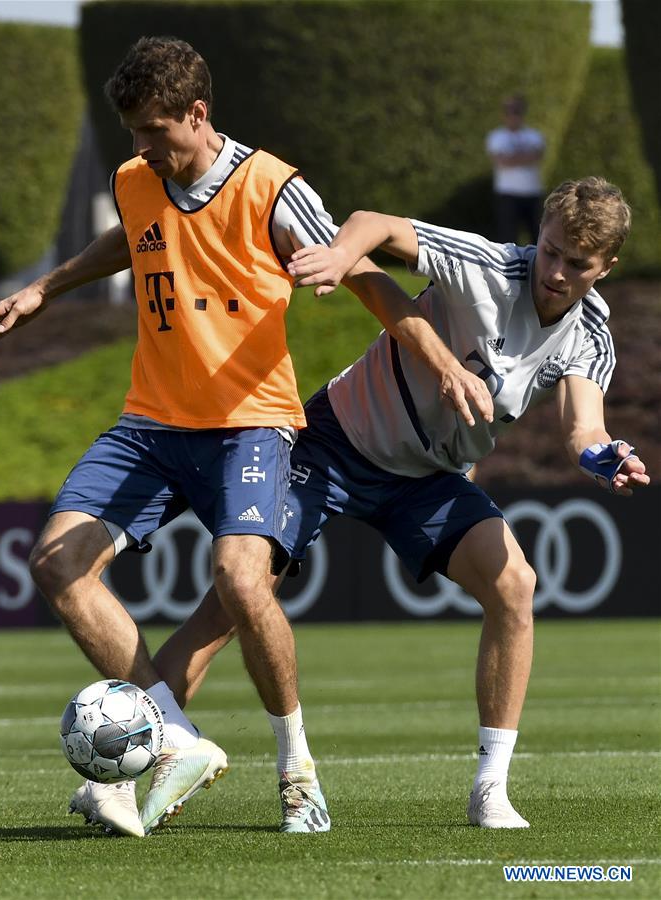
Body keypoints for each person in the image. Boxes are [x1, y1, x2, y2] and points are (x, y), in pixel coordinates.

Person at [0, 37, 492, 837]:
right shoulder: (136, 179)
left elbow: (366, 279)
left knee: (242, 583)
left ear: (197, 113)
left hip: (250, 424)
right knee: (56, 563)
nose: (141, 147)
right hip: (151, 423)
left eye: (154, 130)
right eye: (132, 132)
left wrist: (443, 365)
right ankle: (175, 738)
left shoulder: (271, 187)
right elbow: (133, 237)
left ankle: (297, 772)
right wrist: (47, 286)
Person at [150, 176, 649, 829]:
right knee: (234, 599)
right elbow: (375, 221)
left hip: (427, 479)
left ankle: (490, 790)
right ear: (540, 236)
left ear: (605, 267)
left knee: (515, 585)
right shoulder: (487, 266)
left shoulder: (590, 333)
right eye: (550, 250)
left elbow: (583, 427)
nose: (555, 272)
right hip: (334, 444)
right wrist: (339, 255)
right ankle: (139, 759)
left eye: (576, 264)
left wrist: (605, 457)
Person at [486, 94, 545, 243]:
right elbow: (501, 161)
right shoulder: (496, 136)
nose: (512, 116)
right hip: (507, 195)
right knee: (507, 238)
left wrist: (512, 158)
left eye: (516, 111)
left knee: (537, 237)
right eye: (509, 111)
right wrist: (525, 158)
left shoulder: (534, 135)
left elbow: (537, 157)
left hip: (532, 193)